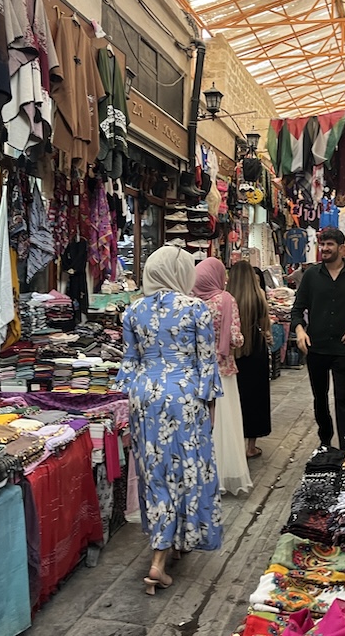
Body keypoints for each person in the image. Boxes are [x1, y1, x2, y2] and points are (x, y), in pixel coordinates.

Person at [116, 246, 223, 595]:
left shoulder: (133, 310)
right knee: (187, 470)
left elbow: (129, 366)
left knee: (155, 474)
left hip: (145, 399)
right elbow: (207, 364)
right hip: (185, 397)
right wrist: (210, 411)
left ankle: (165, 545)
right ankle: (161, 560)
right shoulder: (196, 309)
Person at [290, 227, 345, 448]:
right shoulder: (311, 275)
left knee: (343, 400)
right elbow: (297, 309)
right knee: (320, 400)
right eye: (322, 244)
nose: (325, 248)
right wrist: (300, 331)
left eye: (330, 244)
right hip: (316, 348)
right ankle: (325, 441)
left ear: (342, 248)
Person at [193, 258, 253, 495]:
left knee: (202, 425)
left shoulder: (191, 301)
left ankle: (202, 475)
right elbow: (236, 338)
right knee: (225, 424)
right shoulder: (226, 300)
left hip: (197, 372)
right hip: (224, 370)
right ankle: (225, 474)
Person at [229, 260, 273, 459]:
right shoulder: (259, 296)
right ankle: (251, 447)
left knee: (235, 398)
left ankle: (234, 443)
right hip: (255, 350)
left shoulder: (226, 298)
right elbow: (266, 326)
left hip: (233, 352)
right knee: (256, 398)